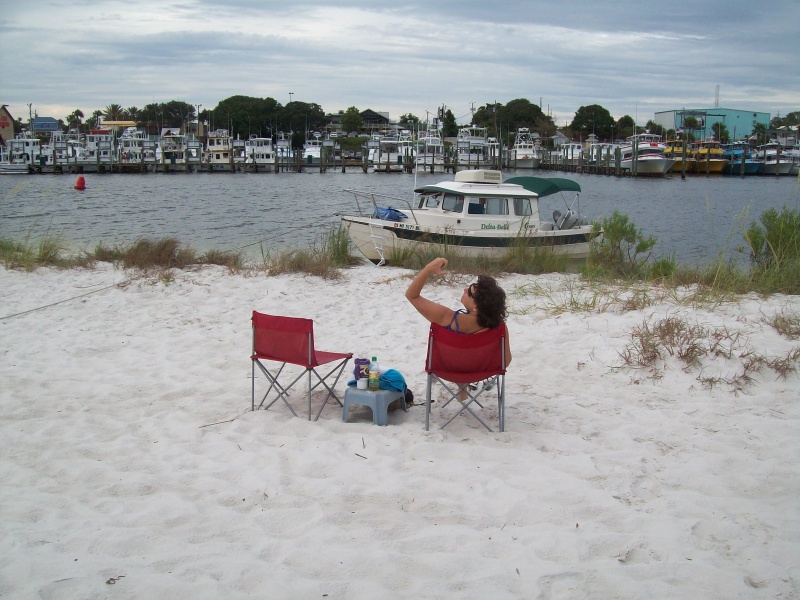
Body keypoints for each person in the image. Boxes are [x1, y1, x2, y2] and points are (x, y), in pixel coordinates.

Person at [405, 257, 512, 372]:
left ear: (475, 307)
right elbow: (506, 361)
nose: (465, 289)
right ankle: (464, 386)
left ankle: (462, 387)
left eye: (469, 292)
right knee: (465, 359)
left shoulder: (446, 318)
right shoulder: (499, 328)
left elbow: (412, 295)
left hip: (450, 371)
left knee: (460, 359)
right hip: (482, 372)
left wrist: (428, 269)